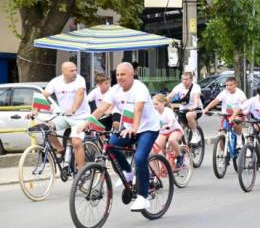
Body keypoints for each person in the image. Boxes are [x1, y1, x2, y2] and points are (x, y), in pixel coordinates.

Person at [85, 62, 160, 211]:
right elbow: (101, 109)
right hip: (128, 128)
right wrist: (85, 123)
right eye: (118, 74)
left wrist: (134, 127)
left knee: (139, 158)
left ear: (132, 75)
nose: (119, 77)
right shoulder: (115, 90)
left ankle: (143, 198)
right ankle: (127, 171)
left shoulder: (140, 88)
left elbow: (138, 110)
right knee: (111, 145)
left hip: (147, 129)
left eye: (123, 74)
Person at [34, 62, 90, 171]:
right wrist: (35, 109)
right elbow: (44, 95)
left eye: (75, 70)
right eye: (71, 71)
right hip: (64, 116)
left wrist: (73, 109)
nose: (75, 73)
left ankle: (81, 171)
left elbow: (80, 94)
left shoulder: (80, 80)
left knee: (76, 142)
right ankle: (60, 149)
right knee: (46, 127)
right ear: (63, 72)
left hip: (80, 117)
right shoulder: (56, 81)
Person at [202, 77, 247, 148]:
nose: (228, 87)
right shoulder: (224, 92)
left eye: (231, 85)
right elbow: (216, 101)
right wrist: (206, 108)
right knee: (221, 134)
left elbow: (244, 103)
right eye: (227, 85)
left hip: (238, 115)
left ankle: (239, 142)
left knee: (236, 122)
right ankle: (224, 154)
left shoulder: (240, 93)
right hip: (226, 116)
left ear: (235, 85)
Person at [167, 72, 202, 144]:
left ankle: (195, 134)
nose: (184, 81)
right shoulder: (179, 86)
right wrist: (162, 102)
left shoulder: (196, 87)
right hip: (182, 110)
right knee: (177, 129)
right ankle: (180, 147)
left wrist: (194, 106)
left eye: (186, 79)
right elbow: (170, 96)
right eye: (183, 79)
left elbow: (196, 98)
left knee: (189, 115)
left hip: (196, 110)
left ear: (191, 80)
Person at [153, 94, 184, 168]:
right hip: (163, 132)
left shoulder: (167, 111)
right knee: (155, 148)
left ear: (163, 103)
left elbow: (171, 119)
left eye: (156, 104)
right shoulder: (154, 113)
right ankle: (157, 169)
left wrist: (169, 125)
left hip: (174, 130)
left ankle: (180, 155)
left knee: (172, 140)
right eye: (153, 104)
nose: (154, 106)